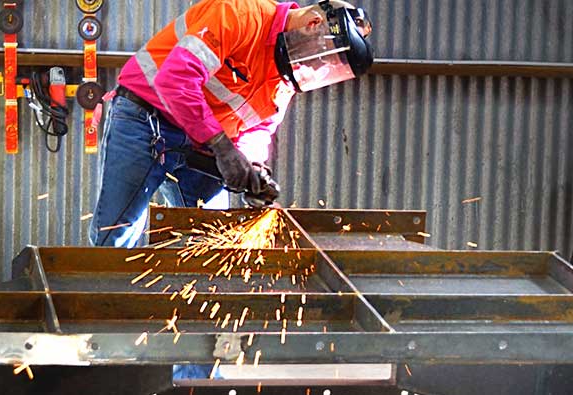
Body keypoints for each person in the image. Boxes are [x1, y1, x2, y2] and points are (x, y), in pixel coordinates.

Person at [91, 0, 374, 247]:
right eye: (323, 58)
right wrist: (222, 147)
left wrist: (252, 168)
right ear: (313, 25)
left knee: (213, 237)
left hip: (202, 141)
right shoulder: (239, 13)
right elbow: (175, 78)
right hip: (144, 117)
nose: (317, 68)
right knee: (116, 234)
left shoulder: (285, 74)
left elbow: (258, 127)